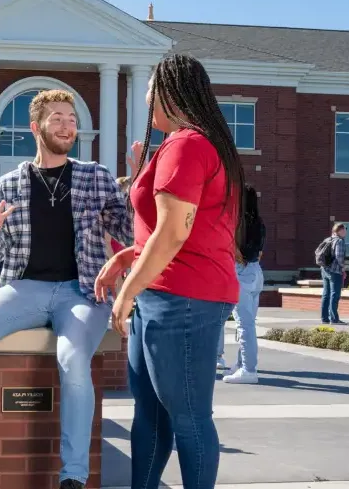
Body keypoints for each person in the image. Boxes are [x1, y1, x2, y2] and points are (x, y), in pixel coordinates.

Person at [0, 89, 133, 489]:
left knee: (73, 358)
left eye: (71, 118)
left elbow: (129, 231)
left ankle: (74, 477)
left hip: (81, 291)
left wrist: (139, 188)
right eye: (58, 119)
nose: (67, 126)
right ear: (37, 128)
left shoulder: (94, 177)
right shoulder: (8, 183)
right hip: (24, 287)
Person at [95, 53, 245, 489]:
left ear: (168, 93)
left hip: (183, 299)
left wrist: (127, 293)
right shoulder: (188, 143)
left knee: (188, 418)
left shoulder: (187, 145)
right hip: (162, 295)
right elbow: (173, 230)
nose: (144, 98)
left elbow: (174, 234)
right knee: (152, 417)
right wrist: (126, 259)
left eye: (149, 88)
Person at [222, 185, 266, 384]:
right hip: (256, 271)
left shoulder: (238, 223)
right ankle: (242, 364)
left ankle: (249, 369)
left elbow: (231, 247)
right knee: (248, 322)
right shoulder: (259, 222)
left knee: (244, 324)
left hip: (242, 271)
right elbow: (259, 250)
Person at [318, 223, 347, 324]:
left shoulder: (328, 239)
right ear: (340, 231)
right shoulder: (339, 241)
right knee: (335, 294)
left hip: (324, 270)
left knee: (326, 294)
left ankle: (324, 318)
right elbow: (339, 257)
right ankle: (334, 319)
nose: (346, 232)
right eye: (344, 229)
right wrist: (343, 269)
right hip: (335, 271)